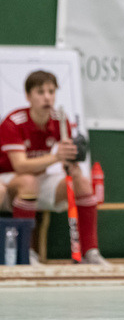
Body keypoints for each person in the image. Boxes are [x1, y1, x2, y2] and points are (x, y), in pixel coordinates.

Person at [0, 70, 106, 266]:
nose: (47, 97)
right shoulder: (14, 122)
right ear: (28, 96)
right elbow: (21, 166)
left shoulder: (60, 119)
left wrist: (71, 167)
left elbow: (65, 160)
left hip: (37, 178)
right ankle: (26, 253)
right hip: (9, 179)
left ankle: (90, 252)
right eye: (40, 92)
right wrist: (56, 157)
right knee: (28, 181)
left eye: (51, 91)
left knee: (82, 182)